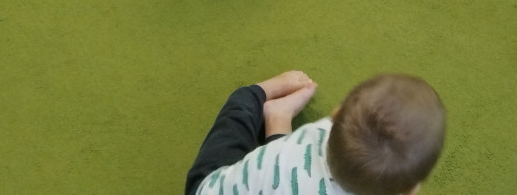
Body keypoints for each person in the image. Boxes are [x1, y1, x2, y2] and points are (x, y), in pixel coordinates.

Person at [185, 70, 446, 195]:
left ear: (335, 113)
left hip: (239, 184)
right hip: (282, 174)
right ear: (409, 191)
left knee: (239, 109)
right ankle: (277, 117)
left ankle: (256, 95)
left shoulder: (323, 132)